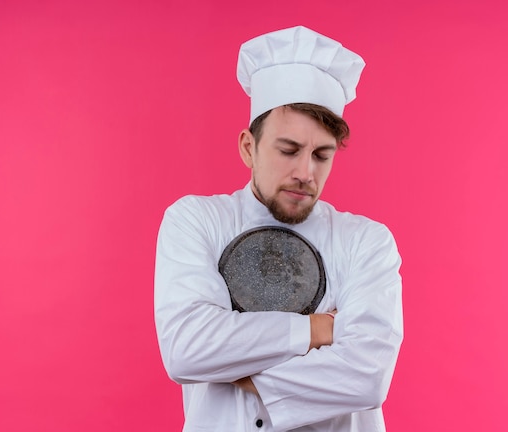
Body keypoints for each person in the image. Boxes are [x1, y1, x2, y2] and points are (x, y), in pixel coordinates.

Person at [154, 25, 403, 431]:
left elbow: (367, 377)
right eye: (288, 151)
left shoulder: (367, 242)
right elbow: (187, 349)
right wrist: (318, 329)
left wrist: (238, 366)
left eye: (322, 155)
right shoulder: (195, 220)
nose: (305, 172)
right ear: (248, 147)